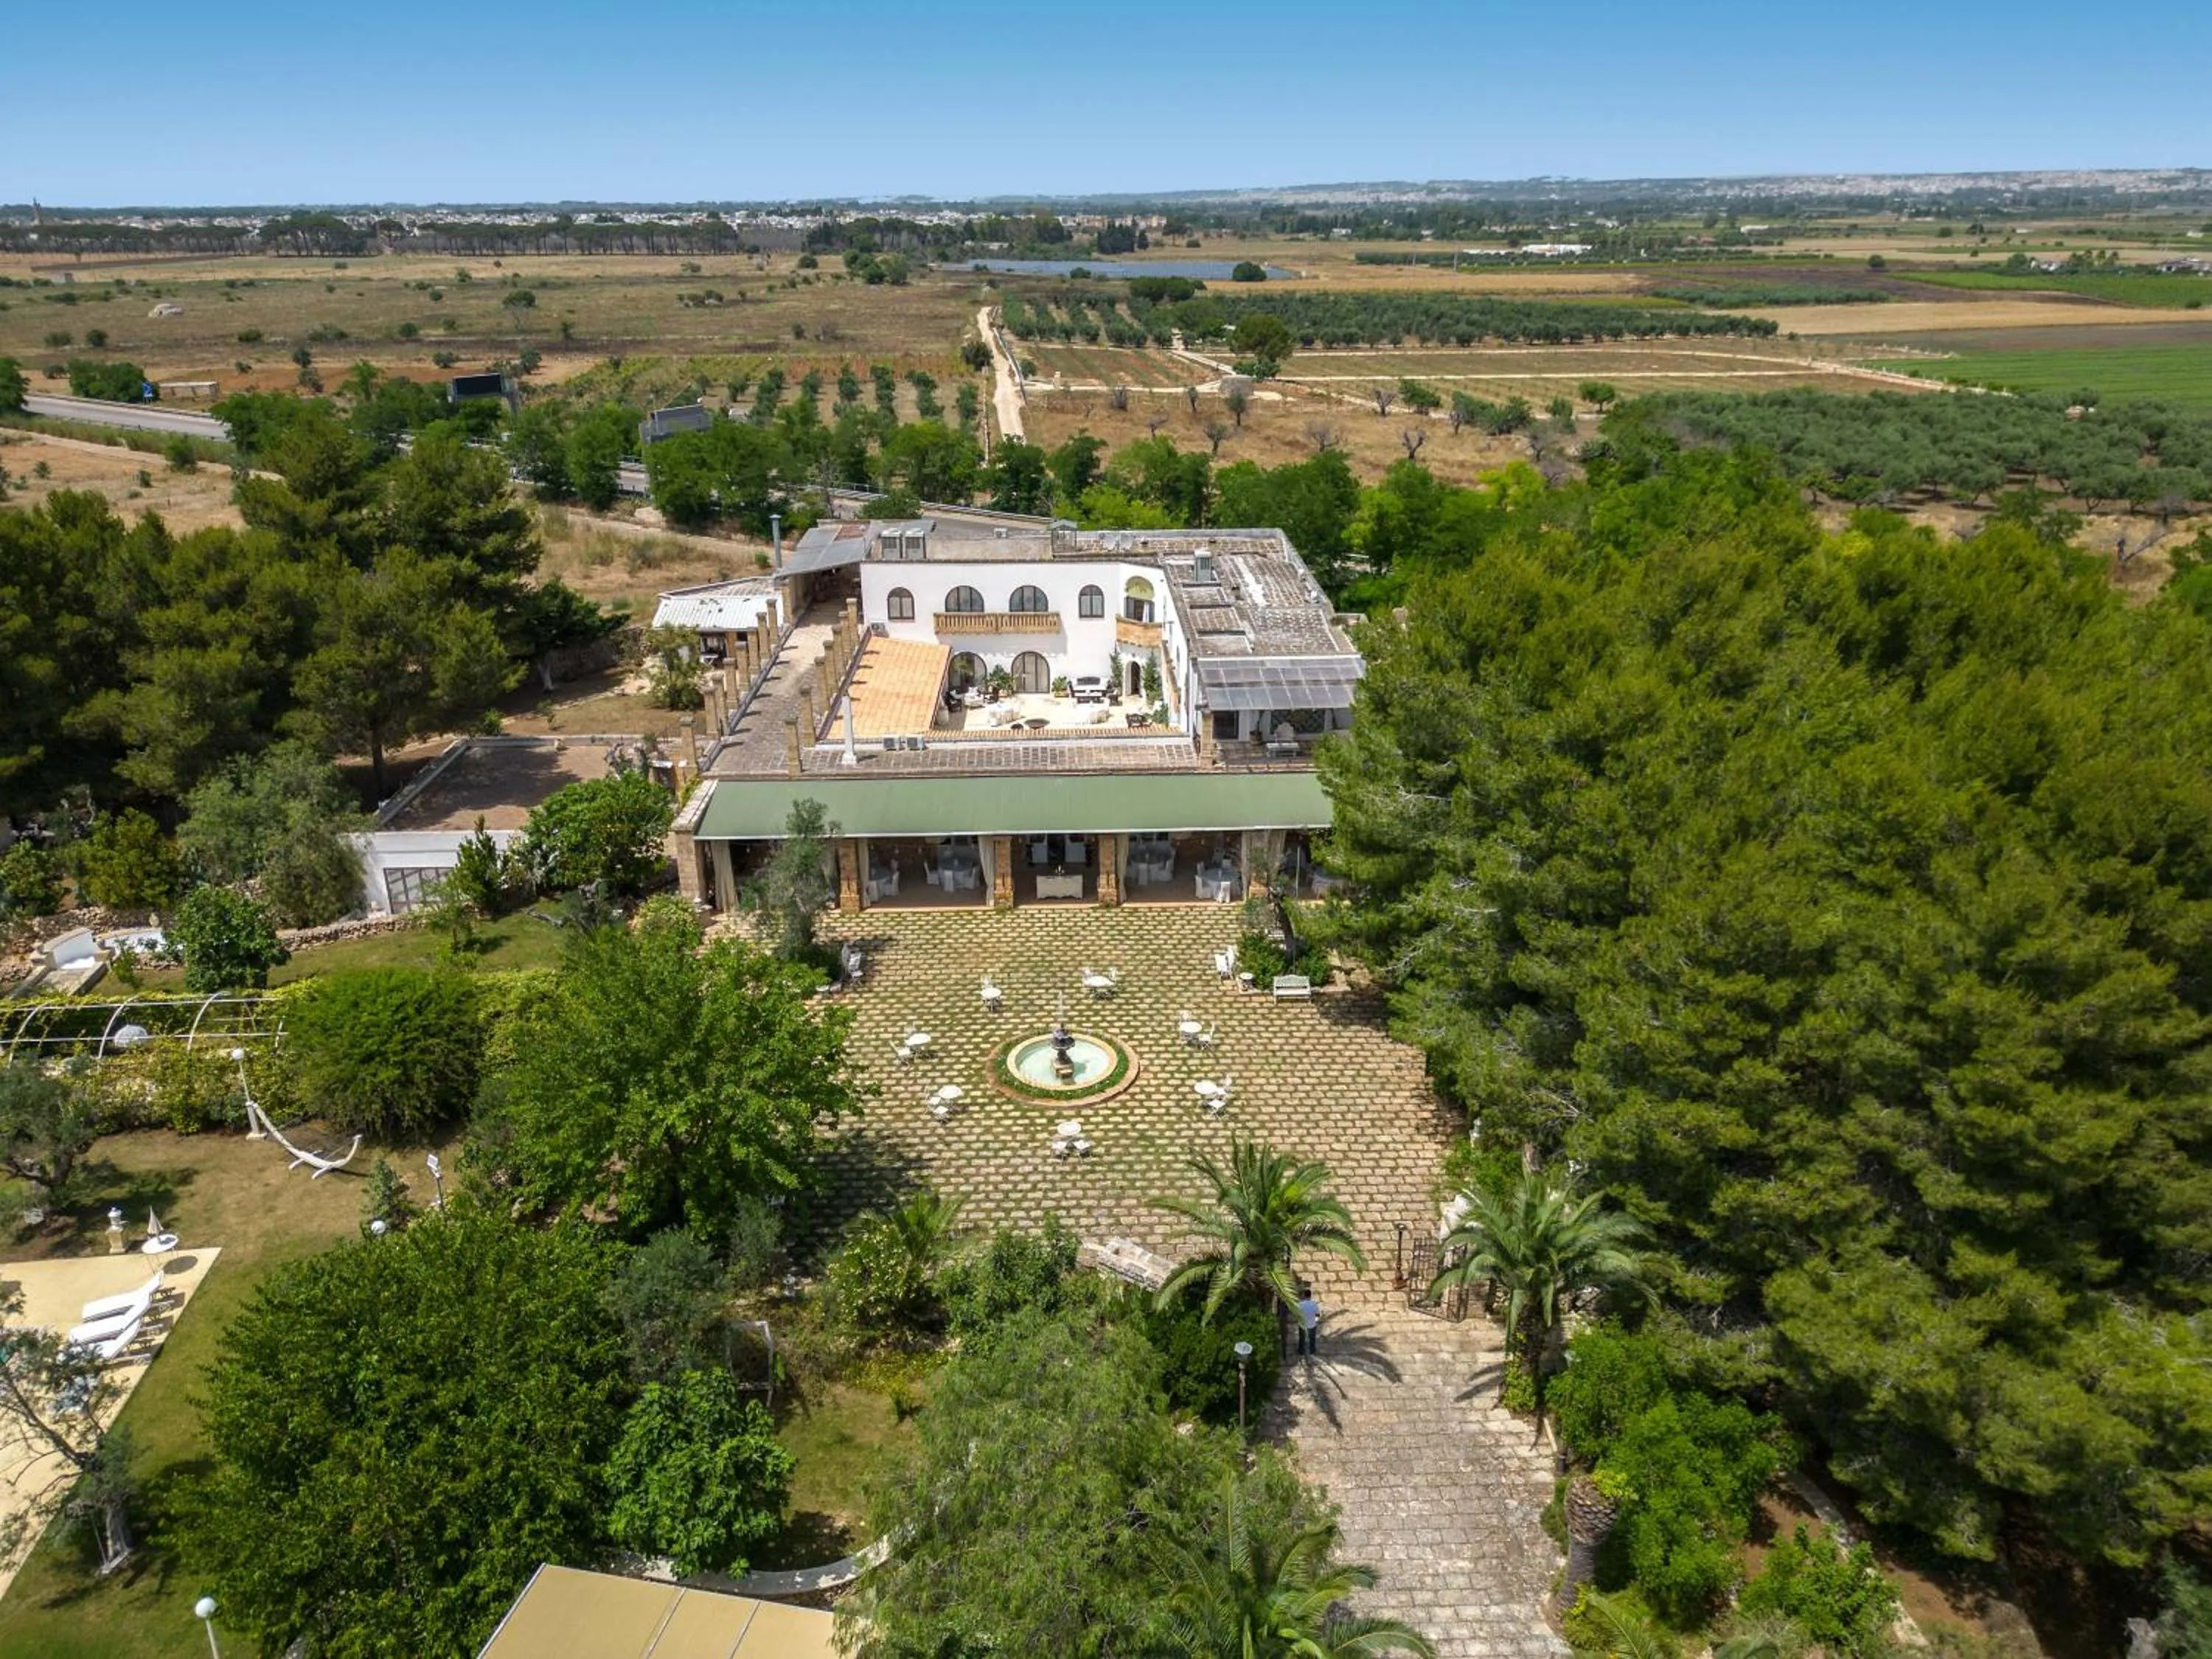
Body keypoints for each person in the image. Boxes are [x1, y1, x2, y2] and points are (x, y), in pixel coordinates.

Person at [1295, 1283, 1321, 1358]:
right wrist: (1315, 1320)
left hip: (1303, 1325)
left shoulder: (1300, 1304)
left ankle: (1301, 1351)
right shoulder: (1314, 1304)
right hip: (1312, 1325)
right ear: (1310, 1295)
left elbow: (1297, 1314)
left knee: (1302, 1339)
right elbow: (1318, 1314)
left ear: (1304, 1295)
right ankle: (1312, 1350)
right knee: (1312, 1339)